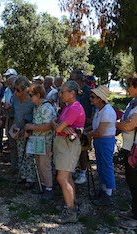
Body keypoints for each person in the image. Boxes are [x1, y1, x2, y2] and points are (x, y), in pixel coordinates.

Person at [51, 80, 86, 224]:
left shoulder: (74, 108)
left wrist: (59, 126)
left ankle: (70, 211)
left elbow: (57, 126)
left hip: (68, 145)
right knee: (67, 176)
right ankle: (72, 204)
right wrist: (59, 125)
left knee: (62, 178)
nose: (60, 94)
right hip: (64, 144)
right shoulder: (68, 107)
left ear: (72, 93)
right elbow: (55, 122)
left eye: (62, 92)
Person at [116, 71, 137, 230]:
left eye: (129, 86)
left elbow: (127, 125)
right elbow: (125, 122)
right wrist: (122, 122)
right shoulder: (133, 103)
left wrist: (116, 123)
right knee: (132, 184)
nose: (127, 89)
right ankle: (135, 212)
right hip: (130, 150)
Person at [84, 85, 116, 206]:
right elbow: (95, 126)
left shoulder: (107, 111)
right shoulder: (99, 110)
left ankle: (108, 194)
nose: (90, 99)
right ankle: (104, 190)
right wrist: (86, 130)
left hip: (105, 141)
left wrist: (88, 135)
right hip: (100, 140)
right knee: (101, 165)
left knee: (106, 166)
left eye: (93, 97)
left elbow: (100, 131)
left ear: (100, 98)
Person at [24, 84, 57, 200]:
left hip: (45, 141)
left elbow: (48, 126)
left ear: (38, 95)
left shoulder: (46, 108)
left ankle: (49, 188)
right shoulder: (37, 107)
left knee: (45, 165)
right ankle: (42, 185)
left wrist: (31, 127)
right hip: (37, 140)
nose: (30, 98)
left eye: (31, 95)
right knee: (38, 164)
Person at [70, 70, 93, 185]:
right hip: (73, 126)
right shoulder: (73, 91)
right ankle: (75, 170)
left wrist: (90, 120)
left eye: (72, 79)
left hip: (85, 127)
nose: (70, 81)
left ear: (79, 80)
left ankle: (83, 173)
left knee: (83, 150)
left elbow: (93, 108)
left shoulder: (88, 91)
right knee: (73, 149)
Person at [13, 76, 35, 188]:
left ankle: (30, 178)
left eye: (18, 90)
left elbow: (36, 116)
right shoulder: (15, 99)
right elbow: (13, 113)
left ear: (25, 89)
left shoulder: (32, 100)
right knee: (20, 153)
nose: (15, 92)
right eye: (14, 89)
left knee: (29, 155)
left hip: (29, 132)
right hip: (18, 131)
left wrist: (29, 129)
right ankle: (23, 175)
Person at [4, 74, 18, 173]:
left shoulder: (22, 94)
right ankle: (14, 167)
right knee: (12, 145)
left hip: (18, 121)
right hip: (10, 120)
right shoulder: (8, 91)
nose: (10, 88)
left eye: (11, 86)